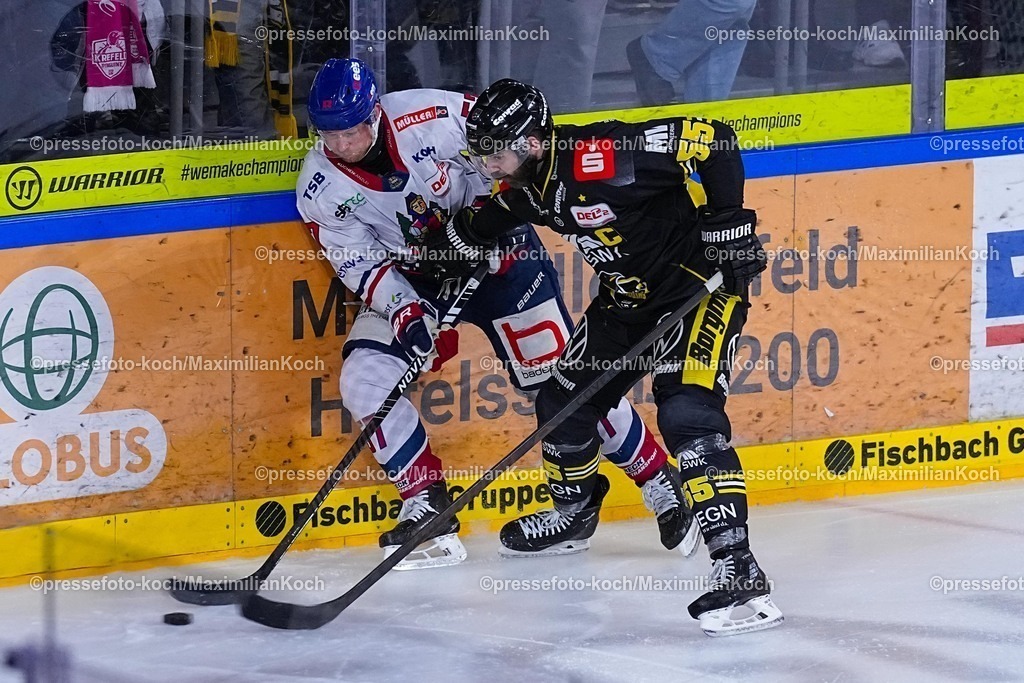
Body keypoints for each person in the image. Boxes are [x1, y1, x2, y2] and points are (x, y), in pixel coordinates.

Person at [296, 58, 700, 570]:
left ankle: (659, 480)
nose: (343, 144)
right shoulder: (319, 187)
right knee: (365, 377)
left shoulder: (435, 116)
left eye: (352, 130)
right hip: (419, 281)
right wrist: (403, 313)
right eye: (330, 134)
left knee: (565, 384)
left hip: (507, 260)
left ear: (374, 113)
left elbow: (513, 158)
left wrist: (496, 223)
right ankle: (428, 506)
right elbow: (358, 260)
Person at [424, 78, 782, 636]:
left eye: (496, 149)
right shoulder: (529, 183)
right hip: (628, 302)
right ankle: (575, 513)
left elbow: (713, 140)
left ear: (533, 142)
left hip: (695, 290)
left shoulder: (601, 158)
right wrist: (455, 245)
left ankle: (737, 566)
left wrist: (729, 221)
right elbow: (489, 219)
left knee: (686, 413)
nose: (488, 161)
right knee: (562, 402)